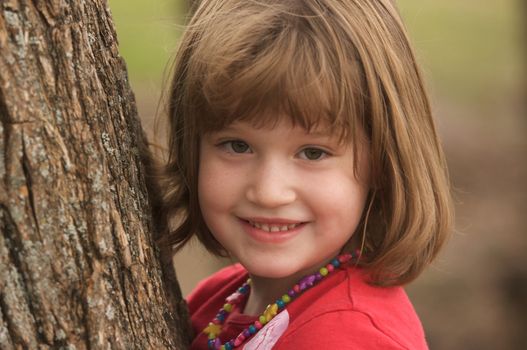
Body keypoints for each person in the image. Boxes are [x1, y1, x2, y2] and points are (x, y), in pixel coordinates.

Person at [154, 0, 453, 348]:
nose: (268, 192)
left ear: (383, 165)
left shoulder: (351, 337)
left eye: (313, 153)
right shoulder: (220, 298)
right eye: (237, 146)